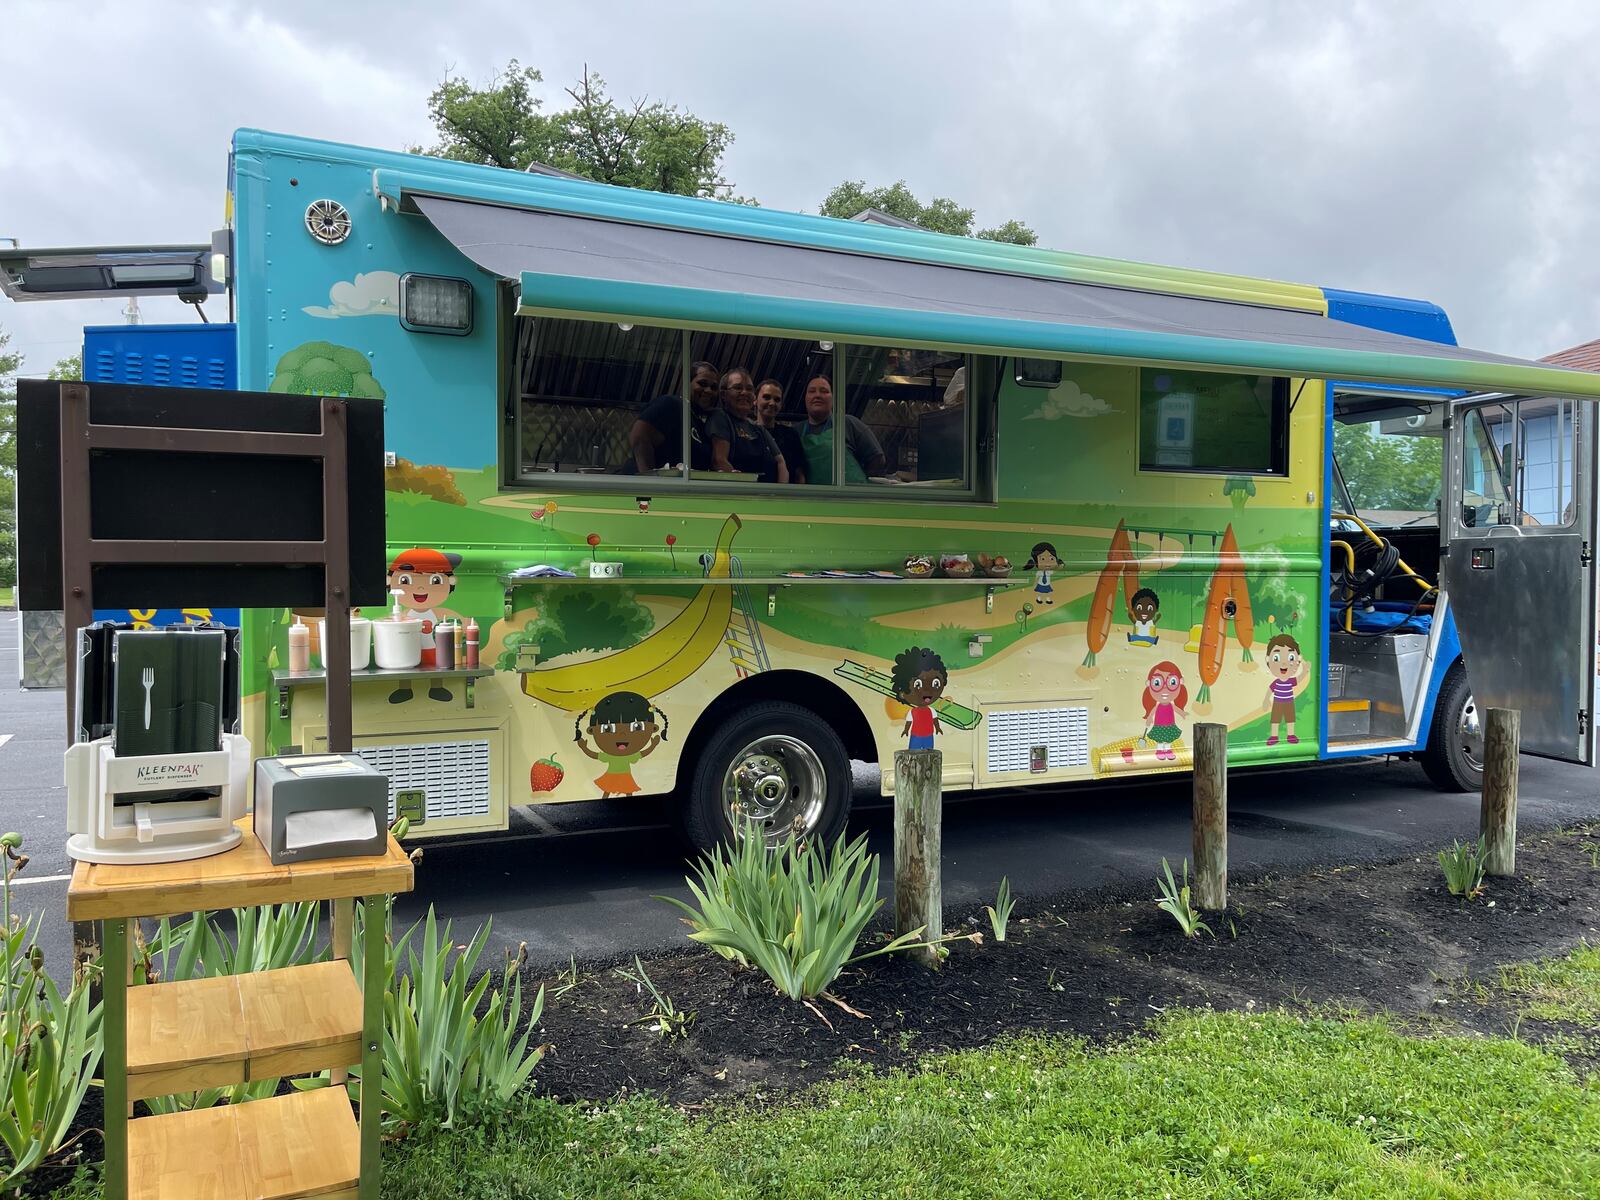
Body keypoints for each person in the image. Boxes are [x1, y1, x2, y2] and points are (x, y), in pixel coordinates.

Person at [630, 360, 719, 473]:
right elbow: (639, 437)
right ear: (687, 383)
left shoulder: (702, 423)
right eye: (702, 384)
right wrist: (648, 478)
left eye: (714, 387)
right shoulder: (671, 404)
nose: (708, 391)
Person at [799, 375, 887, 485]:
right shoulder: (796, 432)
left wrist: (860, 485)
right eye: (812, 391)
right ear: (805, 398)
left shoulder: (848, 424)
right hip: (814, 499)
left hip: (851, 499)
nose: (817, 395)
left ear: (833, 398)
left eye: (824, 391)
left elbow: (877, 458)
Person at [707, 368, 788, 483]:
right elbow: (719, 461)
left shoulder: (758, 428)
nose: (744, 393)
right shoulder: (720, 417)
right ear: (723, 394)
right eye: (738, 388)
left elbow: (781, 463)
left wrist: (781, 494)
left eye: (749, 389)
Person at [755, 379, 807, 484]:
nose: (772, 403)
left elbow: (799, 475)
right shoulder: (746, 433)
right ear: (755, 400)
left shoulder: (790, 435)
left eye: (777, 399)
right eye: (766, 397)